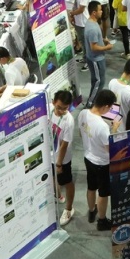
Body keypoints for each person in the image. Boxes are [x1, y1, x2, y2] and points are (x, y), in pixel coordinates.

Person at [79, 89, 118, 230]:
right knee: (103, 193)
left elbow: (80, 133)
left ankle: (91, 211)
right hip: (102, 163)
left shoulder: (83, 113)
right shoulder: (102, 126)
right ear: (106, 106)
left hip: (88, 157)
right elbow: (110, 149)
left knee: (91, 187)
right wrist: (114, 129)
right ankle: (102, 220)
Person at [50, 89, 76, 226]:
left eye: (65, 108)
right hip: (49, 153)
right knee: (52, 178)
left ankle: (69, 209)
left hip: (62, 159)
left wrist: (59, 163)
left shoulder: (68, 121)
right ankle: (58, 195)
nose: (61, 111)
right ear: (53, 102)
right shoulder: (48, 109)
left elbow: (64, 145)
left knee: (67, 181)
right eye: (59, 107)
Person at [83, 1, 113, 97]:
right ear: (94, 13)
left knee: (97, 81)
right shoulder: (93, 29)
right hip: (96, 59)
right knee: (98, 82)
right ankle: (91, 103)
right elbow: (94, 47)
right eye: (100, 10)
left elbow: (93, 41)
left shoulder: (91, 22)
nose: (102, 11)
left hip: (95, 58)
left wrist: (102, 40)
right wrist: (107, 47)